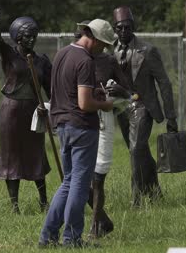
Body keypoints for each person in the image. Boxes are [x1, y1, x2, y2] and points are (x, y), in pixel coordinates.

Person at [39, 19, 115, 247]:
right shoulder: (85, 61)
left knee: (68, 182)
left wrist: (94, 99)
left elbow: (63, 91)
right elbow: (84, 103)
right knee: (80, 186)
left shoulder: (62, 53)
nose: (104, 49)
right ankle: (72, 239)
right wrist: (105, 104)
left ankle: (48, 236)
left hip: (62, 124)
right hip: (82, 126)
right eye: (103, 44)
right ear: (93, 38)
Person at [111, 6, 178, 206]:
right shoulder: (109, 50)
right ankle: (155, 192)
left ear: (133, 27)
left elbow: (164, 83)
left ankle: (137, 199)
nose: (124, 31)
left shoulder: (148, 51)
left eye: (127, 27)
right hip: (121, 107)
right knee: (139, 151)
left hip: (143, 105)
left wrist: (171, 117)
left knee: (136, 149)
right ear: (115, 28)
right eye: (120, 27)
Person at [0, 7, 52, 214]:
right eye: (27, 36)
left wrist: (51, 109)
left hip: (34, 112)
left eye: (34, 36)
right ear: (17, 37)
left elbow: (51, 90)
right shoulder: (10, 56)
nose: (31, 39)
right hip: (12, 111)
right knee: (11, 157)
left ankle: (44, 201)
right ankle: (14, 205)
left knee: (36, 154)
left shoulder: (41, 61)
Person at [75, 21, 131, 238]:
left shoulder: (108, 60)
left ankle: (95, 227)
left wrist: (121, 90)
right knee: (79, 175)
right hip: (79, 119)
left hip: (103, 119)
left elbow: (129, 91)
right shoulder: (74, 57)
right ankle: (103, 219)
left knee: (98, 176)